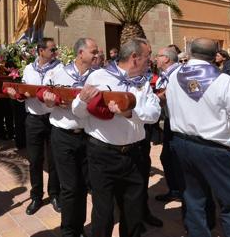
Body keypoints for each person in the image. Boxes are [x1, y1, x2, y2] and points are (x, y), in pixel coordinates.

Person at [72, 38, 161, 237]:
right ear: (135, 58)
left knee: (133, 211)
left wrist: (130, 112)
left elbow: (154, 113)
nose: (151, 60)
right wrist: (82, 100)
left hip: (135, 155)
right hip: (102, 154)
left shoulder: (143, 82)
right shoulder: (99, 77)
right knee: (103, 213)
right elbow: (78, 112)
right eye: (148, 56)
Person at [166, 38, 230, 236]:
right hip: (215, 149)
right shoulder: (223, 81)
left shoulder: (173, 76)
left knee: (193, 197)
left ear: (189, 53)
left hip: (181, 143)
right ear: (216, 55)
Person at [40, 38, 98, 236]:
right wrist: (49, 102)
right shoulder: (57, 73)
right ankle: (68, 231)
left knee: (82, 185)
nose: (97, 55)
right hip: (63, 136)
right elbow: (42, 96)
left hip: (87, 136)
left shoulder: (98, 76)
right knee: (70, 187)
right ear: (80, 53)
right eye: (93, 51)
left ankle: (78, 227)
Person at [6, 38, 62, 215]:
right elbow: (23, 90)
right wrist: (17, 95)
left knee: (54, 160)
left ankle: (55, 194)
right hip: (33, 120)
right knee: (35, 160)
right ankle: (36, 196)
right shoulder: (29, 69)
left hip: (53, 119)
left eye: (55, 50)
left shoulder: (59, 68)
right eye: (52, 50)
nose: (55, 53)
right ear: (41, 51)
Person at [153, 47, 184, 204]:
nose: (155, 59)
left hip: (181, 123)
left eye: (158, 56)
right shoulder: (164, 76)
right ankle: (176, 190)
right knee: (168, 157)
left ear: (166, 59)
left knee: (176, 158)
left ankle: (183, 191)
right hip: (169, 121)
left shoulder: (179, 74)